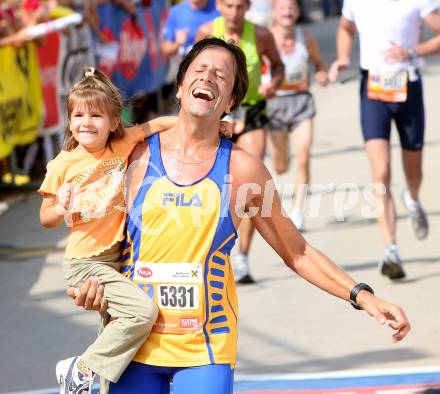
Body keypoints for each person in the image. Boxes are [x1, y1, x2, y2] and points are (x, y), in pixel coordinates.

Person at [68, 37, 410, 394]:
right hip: (133, 348)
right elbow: (94, 238)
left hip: (205, 350)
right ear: (181, 87)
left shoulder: (243, 170)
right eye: (199, 70)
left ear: (230, 101)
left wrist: (363, 296)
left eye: (221, 75)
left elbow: (298, 252)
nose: (208, 77)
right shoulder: (132, 156)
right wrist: (88, 286)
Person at [38, 67, 177, 393]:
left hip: (116, 258)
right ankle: (81, 368)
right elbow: (45, 218)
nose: (87, 122)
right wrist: (61, 207)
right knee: (142, 314)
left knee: (115, 332)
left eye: (97, 115)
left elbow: (156, 124)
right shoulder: (62, 164)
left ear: (114, 122)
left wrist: (209, 126)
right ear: (70, 121)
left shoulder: (122, 143)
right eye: (79, 115)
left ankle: (90, 383)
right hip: (85, 264)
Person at [329, 0, 440, 280]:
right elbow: (345, 27)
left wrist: (412, 51)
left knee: (413, 171)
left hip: (408, 87)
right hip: (373, 90)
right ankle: (391, 251)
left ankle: (412, 199)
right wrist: (343, 56)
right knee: (381, 171)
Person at [196, 0, 284, 284]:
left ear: (248, 8)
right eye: (229, 6)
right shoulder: (207, 31)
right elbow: (193, 72)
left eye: (240, 7)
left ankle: (243, 256)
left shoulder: (260, 34)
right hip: (219, 110)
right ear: (219, 5)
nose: (234, 13)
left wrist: (274, 84)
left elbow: (278, 66)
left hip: (253, 108)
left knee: (248, 182)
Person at [267, 0, 328, 231]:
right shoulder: (265, 38)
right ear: (274, 12)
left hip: (302, 101)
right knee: (280, 166)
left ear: (298, 12)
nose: (287, 11)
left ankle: (297, 211)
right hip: (274, 105)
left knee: (303, 157)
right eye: (282, 7)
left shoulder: (307, 38)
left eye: (291, 7)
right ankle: (284, 161)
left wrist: (321, 74)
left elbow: (319, 64)